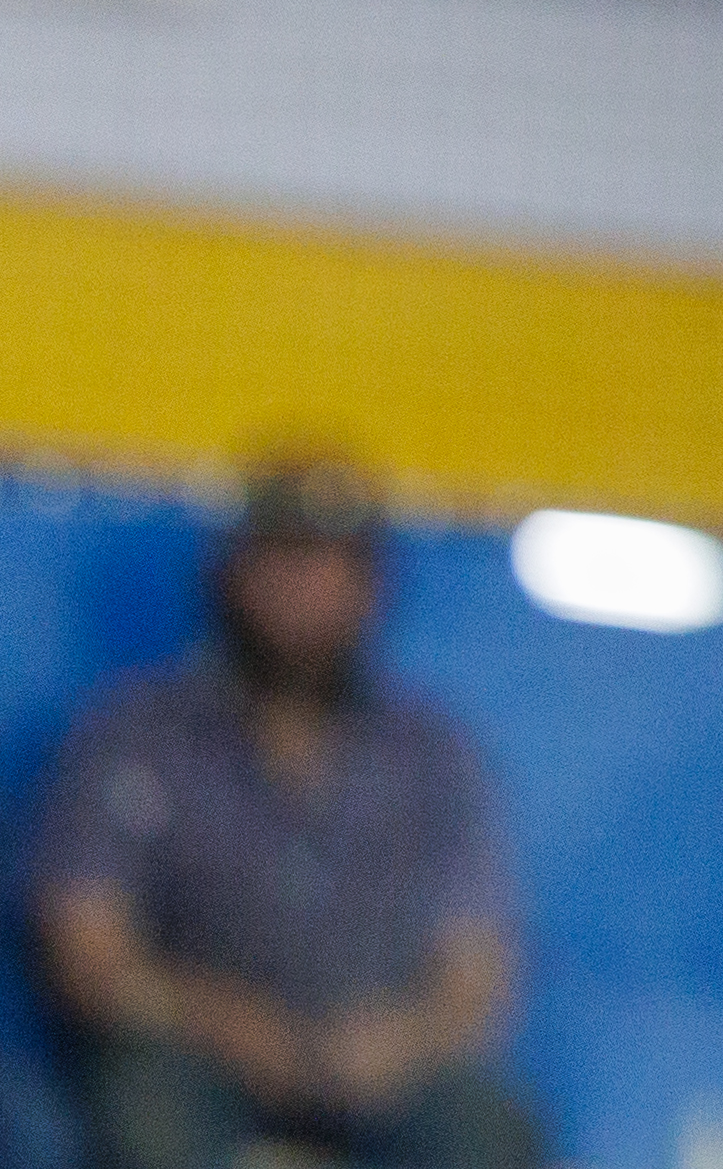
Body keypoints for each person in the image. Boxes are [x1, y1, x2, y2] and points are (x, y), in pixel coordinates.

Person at [21, 456, 536, 1169]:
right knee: (143, 1124)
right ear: (229, 575)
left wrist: (396, 1041)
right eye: (283, 563)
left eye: (333, 569)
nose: (305, 593)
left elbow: (478, 970)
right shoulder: (133, 734)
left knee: (488, 1135)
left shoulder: (431, 754)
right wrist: (226, 1023)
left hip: (381, 1073)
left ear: (371, 589)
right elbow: (84, 950)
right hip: (187, 1060)